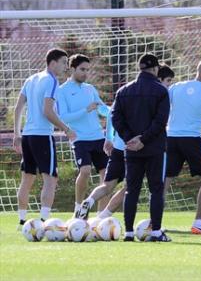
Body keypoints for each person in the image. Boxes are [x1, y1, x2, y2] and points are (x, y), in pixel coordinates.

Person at [76, 64, 176, 221]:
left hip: (119, 145)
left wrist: (109, 137)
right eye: (168, 81)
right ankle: (103, 217)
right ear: (158, 78)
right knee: (131, 188)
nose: (169, 85)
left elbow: (112, 114)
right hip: (136, 149)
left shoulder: (128, 91)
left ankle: (88, 201)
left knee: (108, 185)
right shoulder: (156, 95)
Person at [13, 48, 76, 227]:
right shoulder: (52, 81)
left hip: (27, 135)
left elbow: (18, 108)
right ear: (53, 62)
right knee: (50, 178)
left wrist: (17, 134)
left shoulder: (31, 79)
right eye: (64, 62)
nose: (66, 67)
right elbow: (47, 111)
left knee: (27, 178)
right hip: (42, 136)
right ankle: (43, 221)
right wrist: (66, 129)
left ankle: (22, 220)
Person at [112, 53, 170, 242]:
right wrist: (143, 139)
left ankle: (128, 232)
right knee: (156, 189)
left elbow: (116, 118)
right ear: (155, 69)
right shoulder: (161, 91)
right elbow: (160, 121)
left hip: (131, 149)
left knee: (131, 190)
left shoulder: (123, 91)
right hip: (154, 147)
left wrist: (130, 139)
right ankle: (155, 232)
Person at [165, 59, 201, 235]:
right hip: (191, 140)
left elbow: (162, 110)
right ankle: (198, 223)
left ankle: (155, 222)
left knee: (164, 181)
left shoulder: (175, 87)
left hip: (171, 138)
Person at [57, 54, 111, 216]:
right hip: (80, 139)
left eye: (87, 70)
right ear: (72, 69)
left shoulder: (90, 88)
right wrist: (86, 110)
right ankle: (78, 208)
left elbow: (102, 109)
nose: (85, 73)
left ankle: (101, 215)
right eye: (82, 69)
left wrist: (112, 110)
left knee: (106, 176)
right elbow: (63, 117)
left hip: (98, 138)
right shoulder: (62, 91)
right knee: (85, 170)